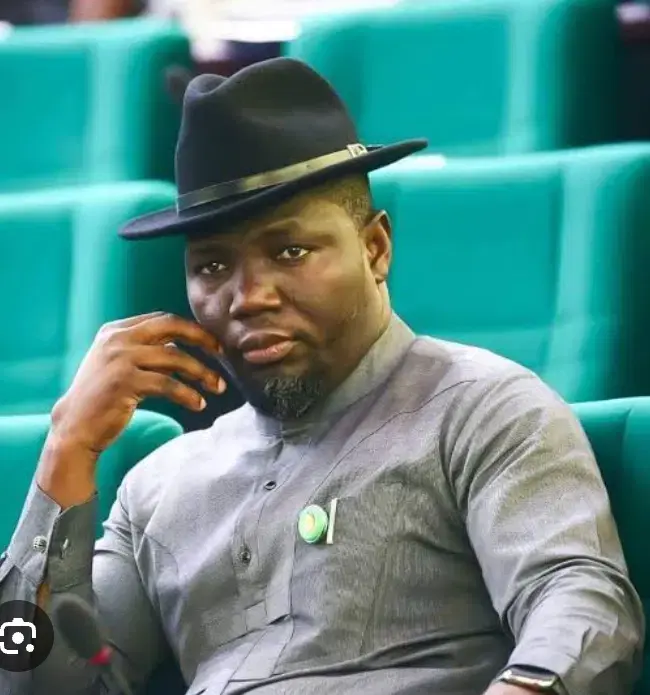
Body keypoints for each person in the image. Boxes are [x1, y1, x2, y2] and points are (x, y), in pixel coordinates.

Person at [0, 58, 644, 695]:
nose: (248, 297)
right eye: (213, 267)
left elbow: (582, 611)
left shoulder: (482, 410)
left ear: (375, 248)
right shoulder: (158, 488)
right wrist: (65, 450)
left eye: (290, 251)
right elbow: (26, 677)